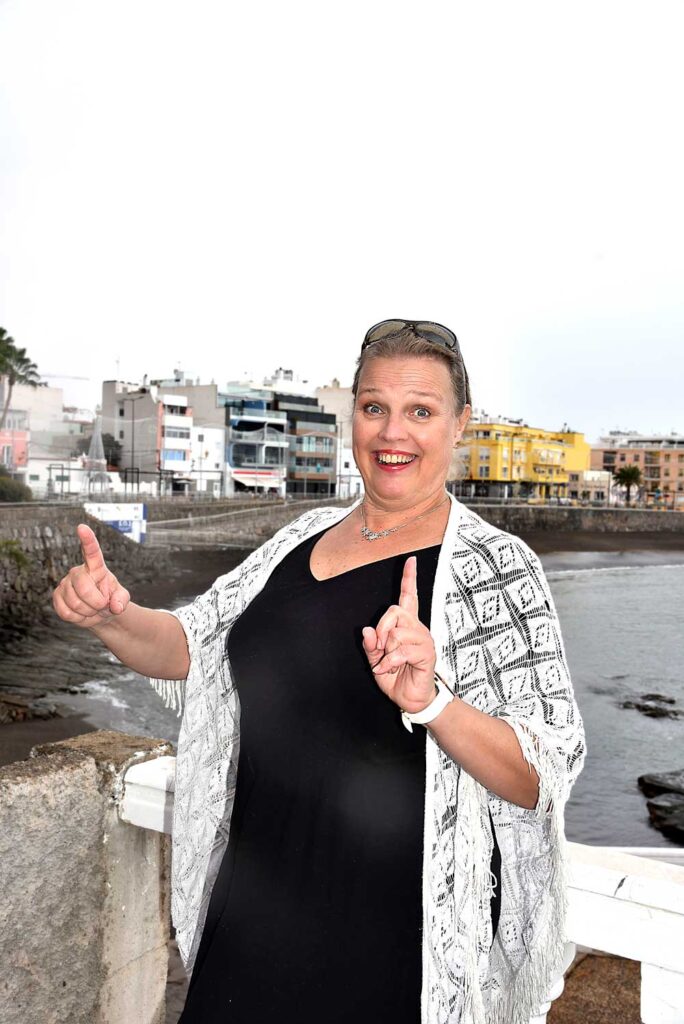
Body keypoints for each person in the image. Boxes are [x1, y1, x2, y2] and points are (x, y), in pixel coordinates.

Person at [52, 319, 585, 1024]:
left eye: (421, 411)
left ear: (459, 425)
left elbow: (541, 774)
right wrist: (111, 617)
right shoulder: (297, 540)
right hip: (249, 922)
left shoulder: (497, 570)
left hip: (388, 954)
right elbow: (193, 646)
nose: (393, 432)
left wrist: (432, 704)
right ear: (353, 417)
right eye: (374, 407)